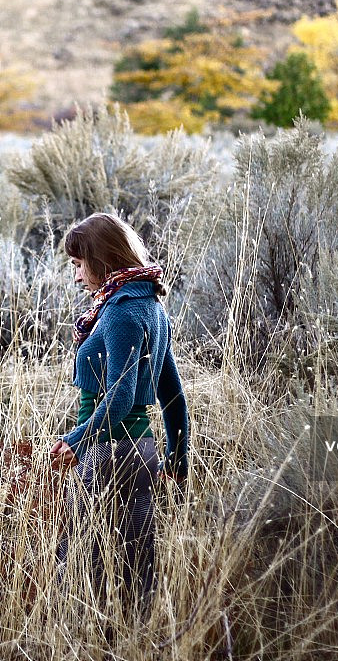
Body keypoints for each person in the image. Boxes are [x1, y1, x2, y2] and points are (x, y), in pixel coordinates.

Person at [50, 212, 189, 621]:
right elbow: (174, 398)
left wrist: (76, 441)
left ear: (103, 259)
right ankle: (136, 640)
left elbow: (120, 400)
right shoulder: (151, 309)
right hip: (142, 454)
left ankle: (81, 638)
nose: (76, 278)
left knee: (74, 564)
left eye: (78, 265)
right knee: (135, 568)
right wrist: (176, 461)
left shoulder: (120, 313)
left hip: (109, 453)